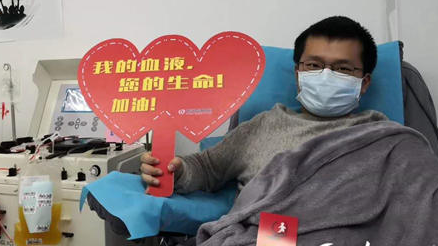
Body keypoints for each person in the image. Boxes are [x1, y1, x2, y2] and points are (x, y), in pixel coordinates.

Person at [140, 15, 388, 193]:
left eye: (342, 69)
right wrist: (175, 171)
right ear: (298, 74)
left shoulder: (383, 137)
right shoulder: (263, 127)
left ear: (364, 82)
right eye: (313, 65)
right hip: (257, 245)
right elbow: (207, 168)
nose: (325, 75)